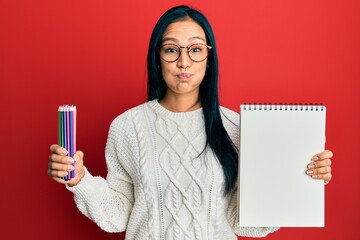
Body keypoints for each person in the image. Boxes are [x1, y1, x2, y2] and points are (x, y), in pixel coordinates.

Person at [48, 5, 333, 240]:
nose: (184, 62)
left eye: (195, 50)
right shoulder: (127, 127)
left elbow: (240, 220)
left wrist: (302, 176)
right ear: (157, 57)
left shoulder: (234, 127)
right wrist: (80, 180)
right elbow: (119, 215)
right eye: (172, 50)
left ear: (209, 58)